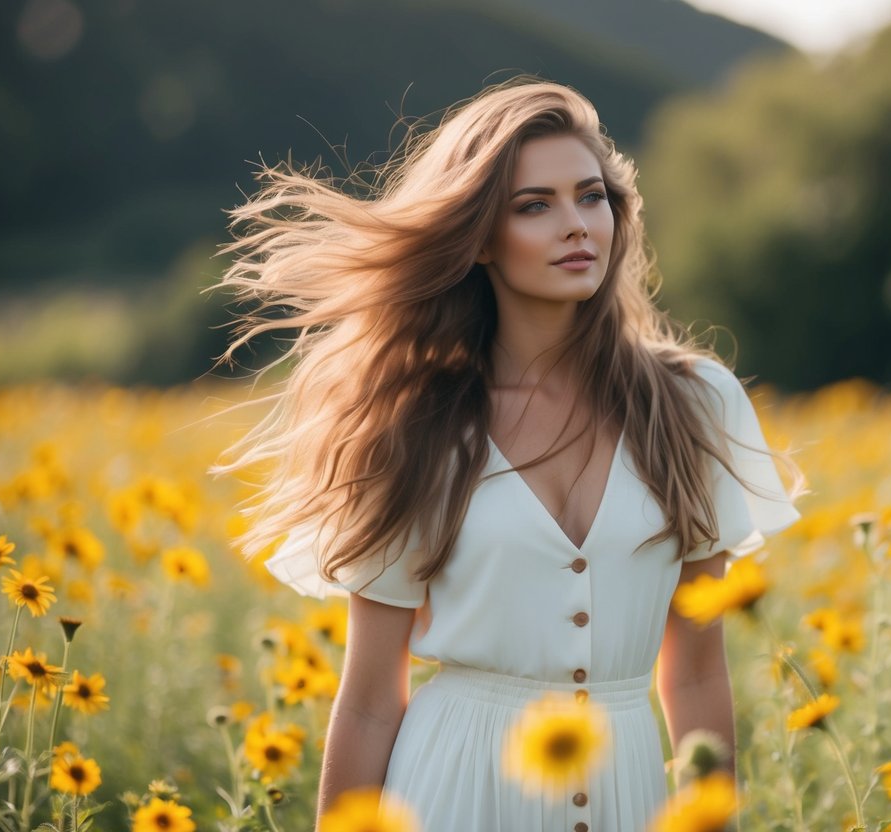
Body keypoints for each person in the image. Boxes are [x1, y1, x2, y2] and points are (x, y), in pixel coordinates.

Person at [210, 77, 802, 832]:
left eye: (591, 198)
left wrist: (711, 820)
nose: (576, 225)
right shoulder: (418, 422)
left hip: (631, 795)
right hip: (452, 789)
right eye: (535, 205)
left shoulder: (692, 404)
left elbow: (693, 673)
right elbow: (367, 698)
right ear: (481, 237)